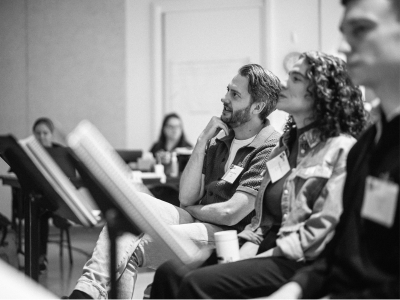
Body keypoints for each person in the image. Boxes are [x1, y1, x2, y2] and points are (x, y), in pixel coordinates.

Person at [150, 51, 368, 299]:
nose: (284, 84)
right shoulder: (284, 145)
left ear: (322, 93)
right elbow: (261, 222)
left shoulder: (341, 149)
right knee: (170, 273)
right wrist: (245, 251)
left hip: (296, 259)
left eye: (295, 79)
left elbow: (319, 231)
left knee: (195, 283)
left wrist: (256, 256)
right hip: (260, 246)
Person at [69, 63, 282, 299]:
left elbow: (230, 213)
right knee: (129, 209)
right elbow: (185, 197)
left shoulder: (270, 146)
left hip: (228, 233)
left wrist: (192, 209)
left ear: (258, 107)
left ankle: (85, 296)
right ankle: (86, 292)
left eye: (235, 94)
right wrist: (201, 141)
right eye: (227, 90)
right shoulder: (220, 138)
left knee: (130, 246)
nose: (224, 98)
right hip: (200, 217)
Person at [269, 0, 400, 298]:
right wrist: (295, 289)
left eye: (362, 29)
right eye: (344, 32)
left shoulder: (346, 146)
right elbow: (343, 251)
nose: (343, 46)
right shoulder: (367, 145)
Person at [32, 117, 62, 273]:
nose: (41, 137)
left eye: (45, 133)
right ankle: (38, 256)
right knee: (38, 210)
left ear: (51, 134)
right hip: (41, 201)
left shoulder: (60, 153)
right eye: (38, 133)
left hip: (59, 201)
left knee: (40, 209)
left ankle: (39, 256)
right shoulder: (29, 153)